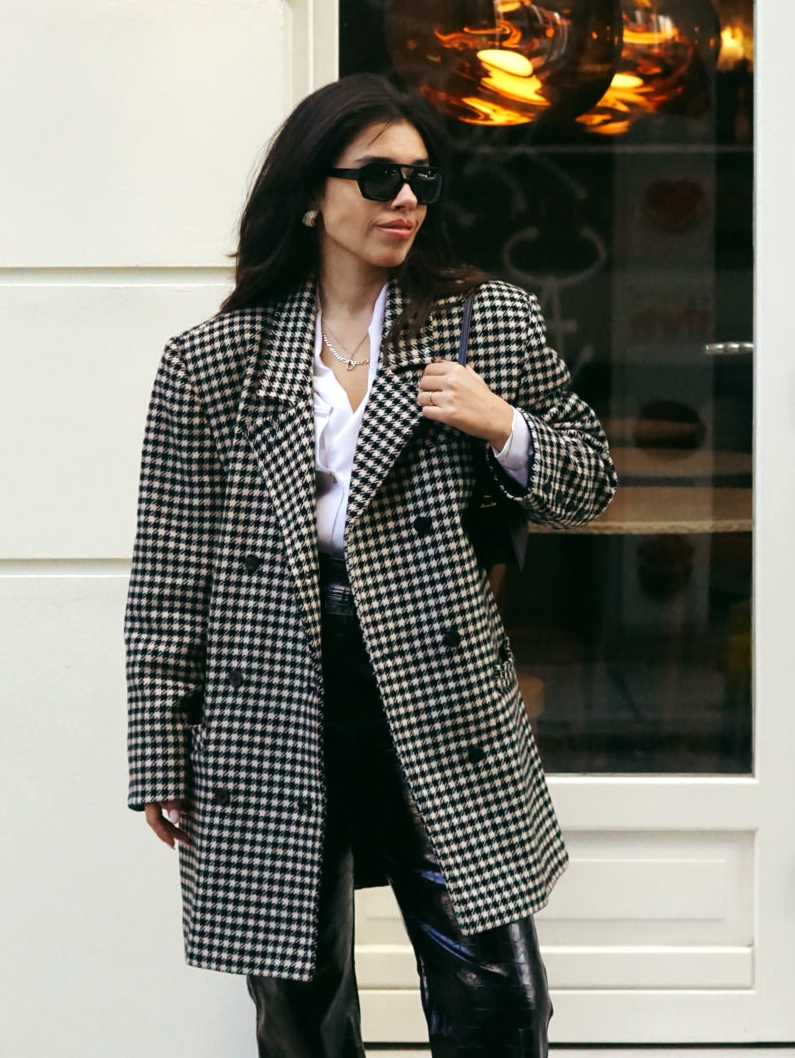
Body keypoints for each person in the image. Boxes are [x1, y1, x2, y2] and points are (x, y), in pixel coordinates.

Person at [125, 73, 617, 1057]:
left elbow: (591, 482)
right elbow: (170, 572)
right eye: (379, 176)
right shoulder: (213, 361)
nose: (405, 199)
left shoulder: (486, 323)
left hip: (438, 694)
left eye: (422, 179)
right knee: (300, 1011)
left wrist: (504, 425)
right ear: (313, 194)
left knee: (499, 1003)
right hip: (273, 699)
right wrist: (161, 750)